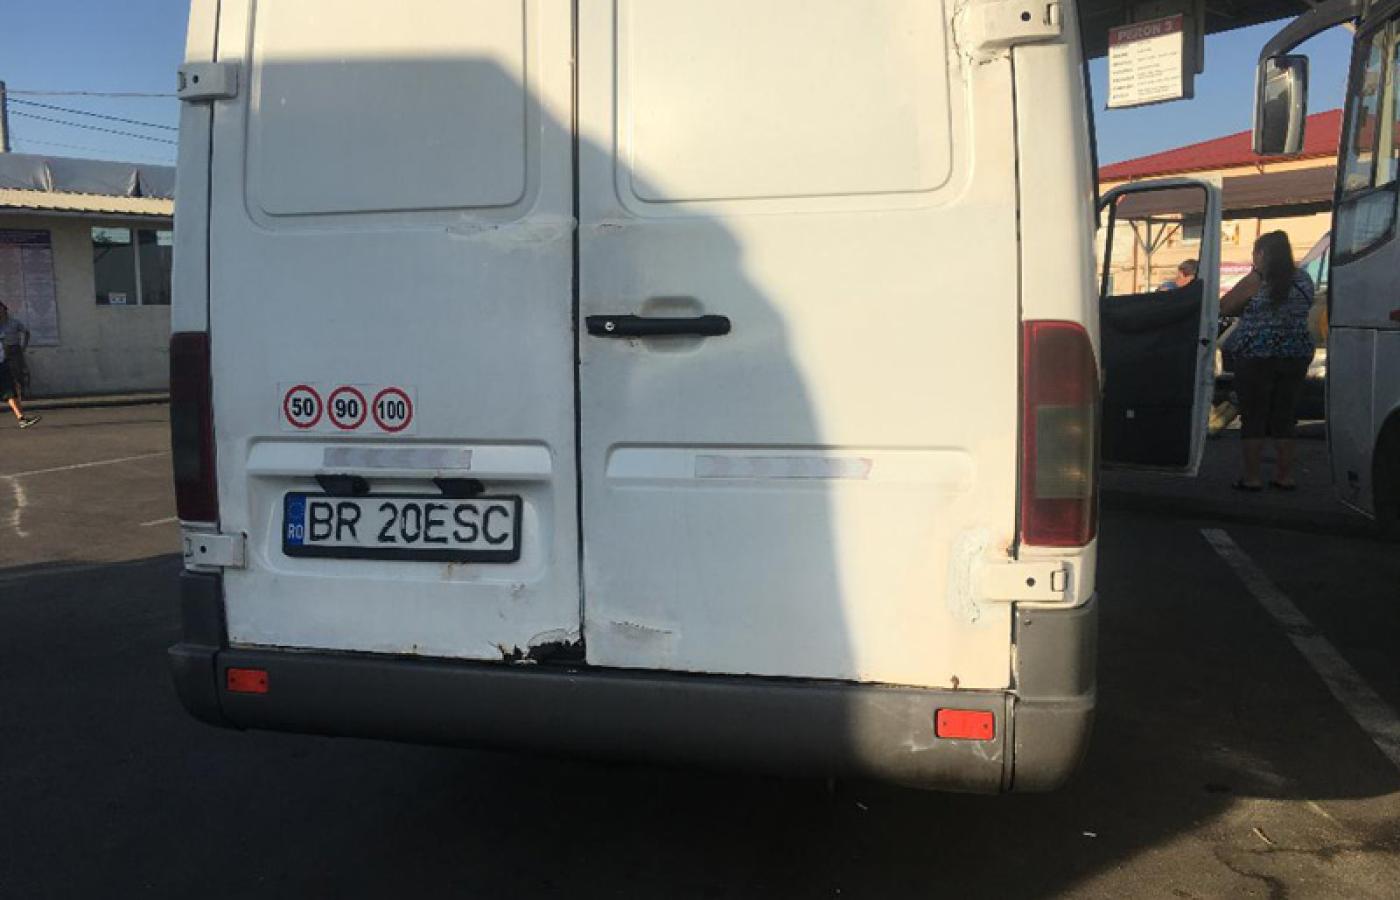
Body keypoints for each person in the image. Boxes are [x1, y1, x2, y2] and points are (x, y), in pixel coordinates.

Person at [1218, 232, 1313, 491]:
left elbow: (1224, 306)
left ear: (1261, 255)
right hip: (1295, 355)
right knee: (1285, 417)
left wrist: (1255, 276)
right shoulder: (1303, 279)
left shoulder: (1258, 280)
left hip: (1256, 357)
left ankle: (1252, 477)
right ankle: (1285, 476)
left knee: (1254, 417)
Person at [0, 337, 39, 428]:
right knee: (10, 393)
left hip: (3, 365)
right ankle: (21, 419)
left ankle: (21, 418)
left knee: (12, 392)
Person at [0, 302, 31, 395]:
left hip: (14, 349)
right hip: (2, 350)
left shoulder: (14, 322)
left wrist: (24, 346)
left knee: (18, 371)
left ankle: (22, 392)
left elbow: (26, 332)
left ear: (5, 310)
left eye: (1, 309)